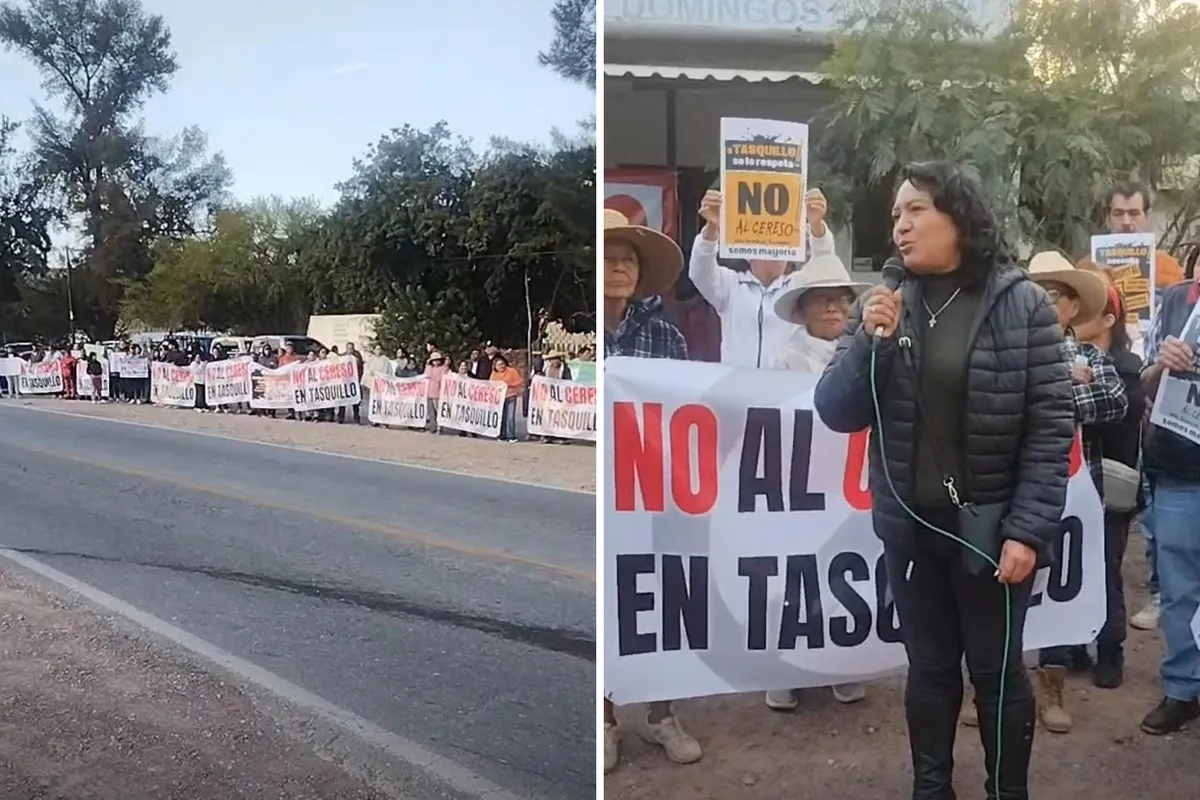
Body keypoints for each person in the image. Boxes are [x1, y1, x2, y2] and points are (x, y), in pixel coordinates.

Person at [814, 161, 1074, 798]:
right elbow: (837, 410)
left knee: (997, 677)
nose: (899, 225)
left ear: (958, 216)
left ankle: (1005, 791)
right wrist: (870, 343)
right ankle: (932, 789)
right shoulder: (881, 303)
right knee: (930, 673)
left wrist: (1028, 532)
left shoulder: (1021, 306)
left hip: (994, 539)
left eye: (915, 210)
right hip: (911, 535)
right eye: (896, 214)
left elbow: (1049, 426)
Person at [602, 208, 695, 773]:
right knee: (610, 606)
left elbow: (689, 414)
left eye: (629, 257)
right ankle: (606, 721)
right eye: (610, 254)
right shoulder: (584, 334)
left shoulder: (666, 335)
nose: (619, 265)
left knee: (662, 602)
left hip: (655, 492)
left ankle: (663, 714)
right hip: (603, 495)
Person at [764, 253, 872, 710]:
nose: (833, 309)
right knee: (794, 575)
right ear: (804, 309)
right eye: (822, 301)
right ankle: (783, 671)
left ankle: (842, 666)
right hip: (799, 483)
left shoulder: (868, 353)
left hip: (853, 485)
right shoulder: (783, 362)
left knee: (847, 573)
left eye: (841, 301)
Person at [1026, 253, 1129, 734]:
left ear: (1072, 308)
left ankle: (1054, 687)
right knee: (995, 587)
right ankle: (984, 685)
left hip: (1072, 496)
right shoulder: (1006, 352)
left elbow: (1115, 400)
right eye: (1036, 294)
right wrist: (1065, 387)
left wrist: (1044, 391)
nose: (1044, 305)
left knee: (1060, 589)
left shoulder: (1092, 357)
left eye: (1053, 296)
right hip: (1014, 493)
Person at [1073, 279, 1145, 689]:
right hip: (1072, 486)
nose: (1073, 316)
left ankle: (1110, 651)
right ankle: (1074, 648)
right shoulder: (1065, 357)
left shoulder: (1125, 367)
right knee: (1075, 569)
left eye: (1085, 309)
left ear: (1108, 318)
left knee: (1105, 571)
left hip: (1108, 488)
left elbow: (1124, 412)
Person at [1137, 271, 1200, 734]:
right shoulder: (1177, 301)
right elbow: (1144, 382)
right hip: (1180, 469)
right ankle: (1184, 689)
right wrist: (1162, 366)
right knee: (1180, 592)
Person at [689, 185, 837, 367]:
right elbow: (699, 271)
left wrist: (816, 226)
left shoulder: (798, 287)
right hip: (736, 389)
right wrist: (711, 229)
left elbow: (825, 269)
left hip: (785, 390)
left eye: (781, 242)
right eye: (767, 241)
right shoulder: (731, 285)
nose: (776, 249)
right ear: (748, 250)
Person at [490, 353, 524, 442]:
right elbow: (491, 384)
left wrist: (509, 384)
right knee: (502, 417)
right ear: (495, 367)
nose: (501, 366)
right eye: (498, 365)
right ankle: (502, 435)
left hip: (511, 396)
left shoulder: (511, 371)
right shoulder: (494, 374)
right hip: (500, 398)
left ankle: (511, 436)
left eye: (502, 364)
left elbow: (519, 381)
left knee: (510, 417)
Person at [423, 351, 450, 432]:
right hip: (429, 391)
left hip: (438, 392)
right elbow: (426, 375)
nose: (436, 362)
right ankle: (433, 426)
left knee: (438, 410)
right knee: (431, 411)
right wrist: (427, 365)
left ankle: (440, 425)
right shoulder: (430, 368)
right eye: (434, 360)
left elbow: (442, 378)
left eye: (437, 360)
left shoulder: (443, 368)